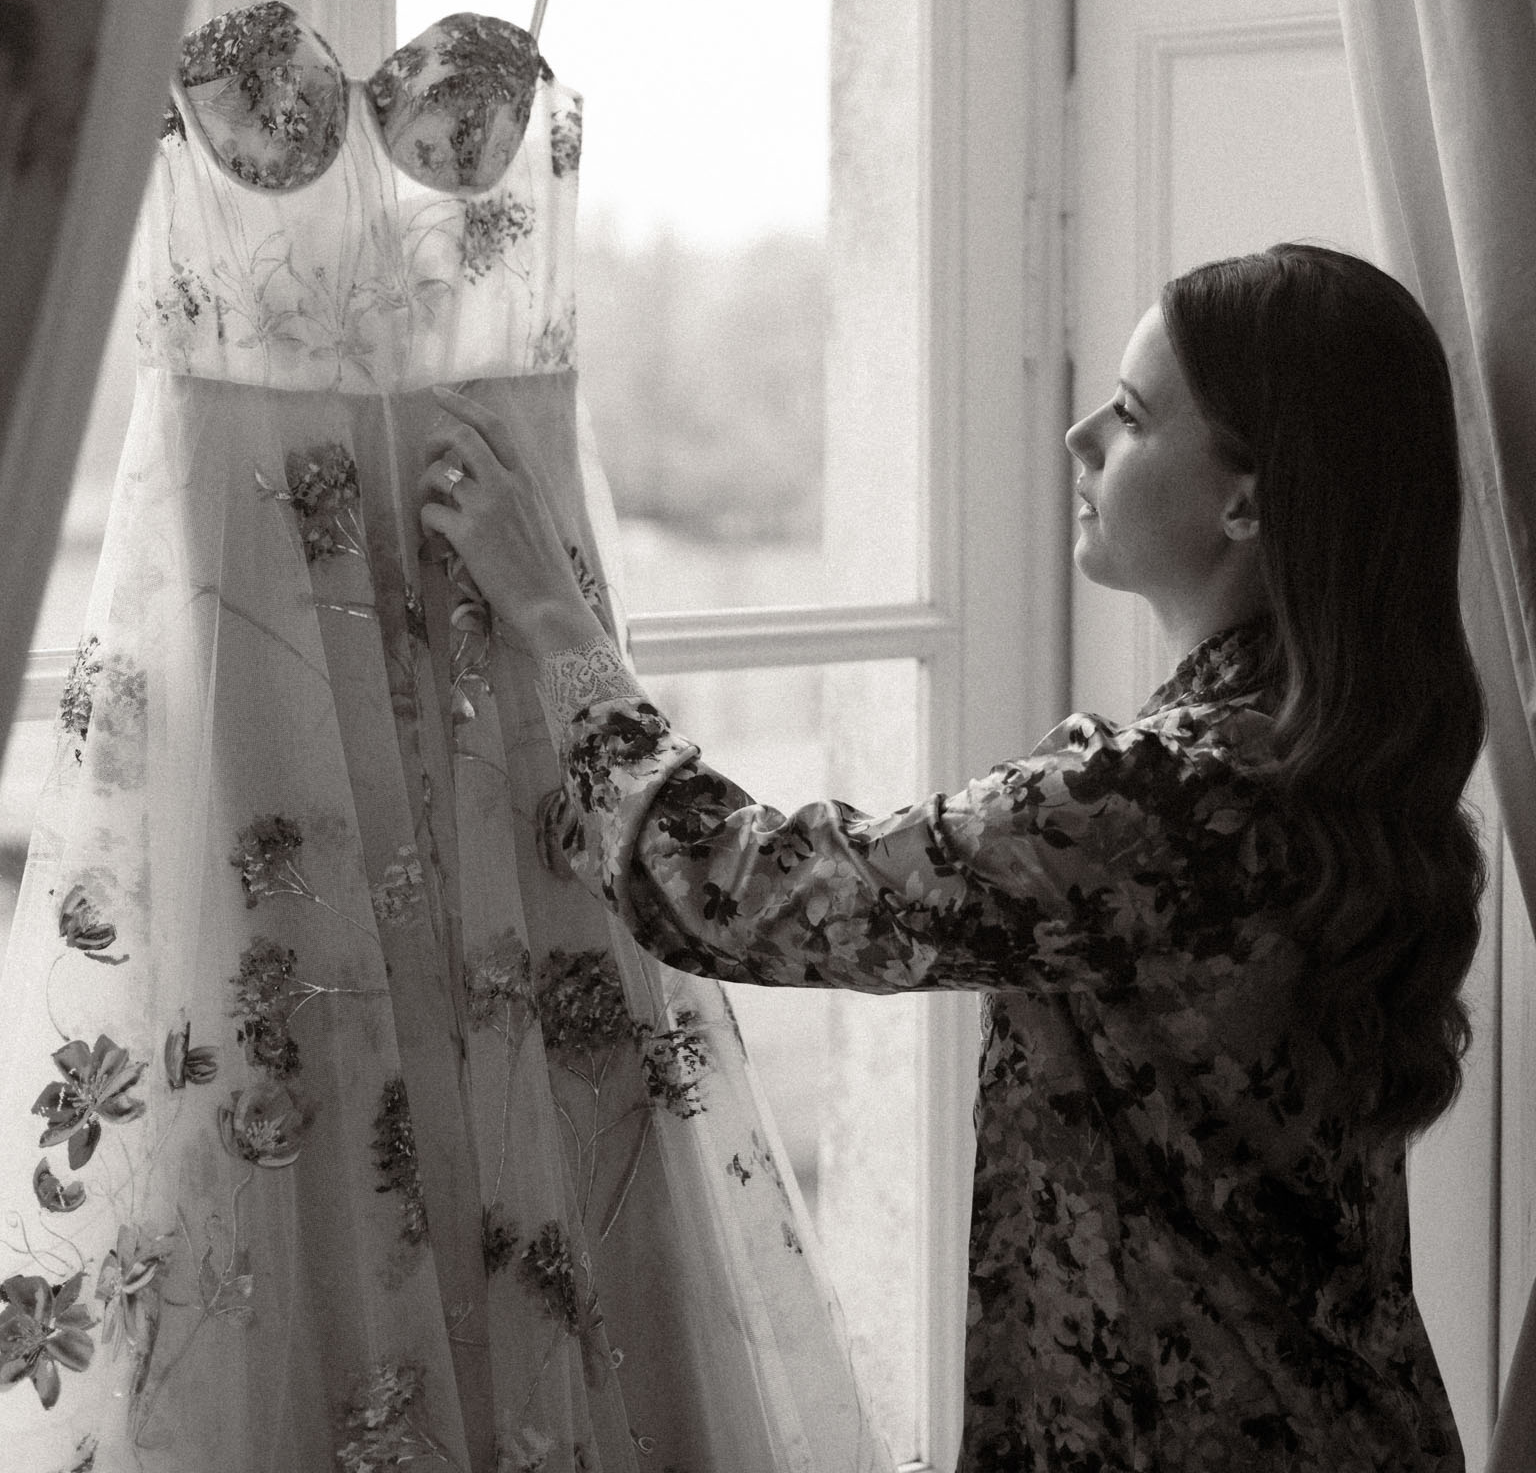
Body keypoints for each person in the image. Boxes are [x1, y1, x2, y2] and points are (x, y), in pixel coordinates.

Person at [420, 241, 1486, 1473]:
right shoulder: (1342, 759)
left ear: (1246, 501)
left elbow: (743, 891)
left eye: (1134, 416)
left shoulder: (1154, 799)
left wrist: (552, 614)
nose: (1081, 434)